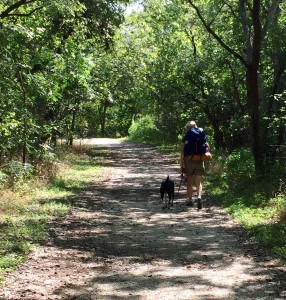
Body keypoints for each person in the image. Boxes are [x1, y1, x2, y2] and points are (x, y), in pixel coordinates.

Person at [180, 120, 209, 209]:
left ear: (187, 128)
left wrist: (182, 163)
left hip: (189, 160)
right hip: (200, 160)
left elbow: (182, 150)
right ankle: (199, 197)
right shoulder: (201, 134)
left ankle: (190, 200)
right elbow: (207, 147)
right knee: (198, 182)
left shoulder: (187, 136)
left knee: (189, 181)